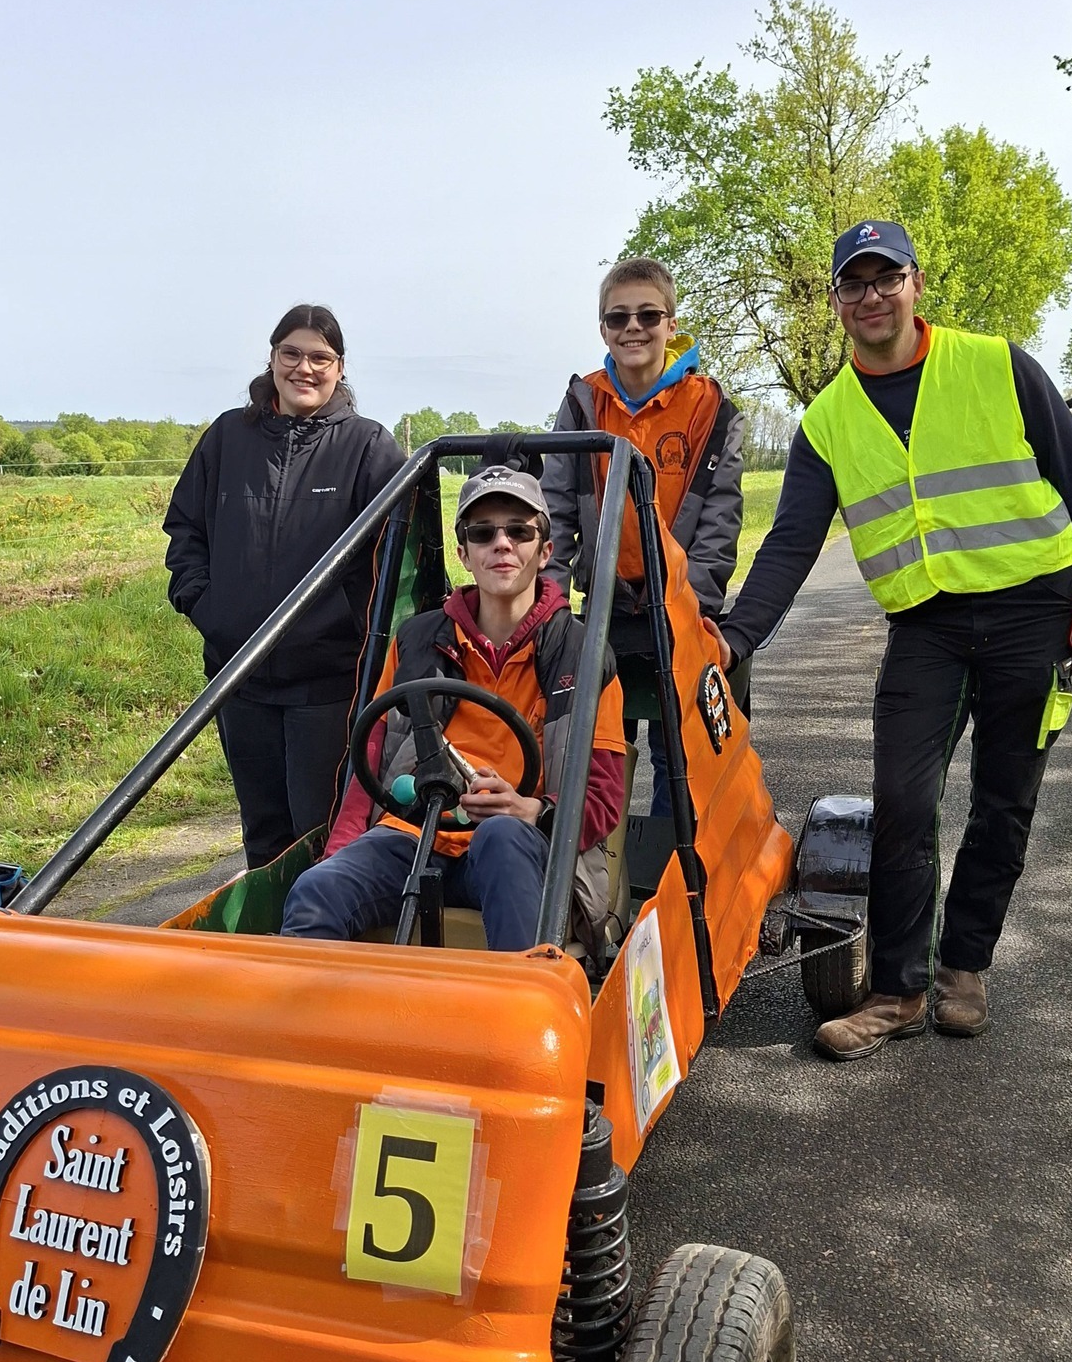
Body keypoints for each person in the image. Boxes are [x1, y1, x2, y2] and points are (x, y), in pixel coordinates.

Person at [710, 219, 1072, 1059]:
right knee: (902, 803)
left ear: (915, 283)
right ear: (835, 302)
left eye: (884, 278)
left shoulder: (997, 365)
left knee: (1005, 802)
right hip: (925, 627)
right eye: (853, 284)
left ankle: (963, 969)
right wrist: (733, 637)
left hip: (1031, 614)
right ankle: (897, 991)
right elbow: (791, 543)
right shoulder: (826, 421)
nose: (871, 296)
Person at [282, 466, 627, 952]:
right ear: (464, 554)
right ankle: (323, 1024)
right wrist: (337, 854)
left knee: (501, 838)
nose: (501, 544)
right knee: (315, 893)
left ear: (545, 552)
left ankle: (517, 1018)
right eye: (483, 533)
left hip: (524, 847)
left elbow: (604, 797)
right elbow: (371, 764)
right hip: (414, 835)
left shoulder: (584, 654)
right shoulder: (416, 642)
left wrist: (529, 810)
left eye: (519, 531)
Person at [163, 305, 404, 868]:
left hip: (327, 684)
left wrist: (359, 631)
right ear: (271, 359)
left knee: (321, 834)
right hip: (237, 677)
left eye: (320, 357)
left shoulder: (369, 447)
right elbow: (185, 531)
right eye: (291, 354)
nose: (305, 368)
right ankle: (268, 950)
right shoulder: (227, 437)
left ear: (339, 368)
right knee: (263, 835)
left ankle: (320, 946)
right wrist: (207, 607)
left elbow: (402, 559)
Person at [545, 257, 744, 813]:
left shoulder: (709, 406)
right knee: (592, 740)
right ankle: (598, 867)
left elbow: (720, 517)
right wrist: (554, 608)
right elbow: (556, 512)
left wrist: (692, 604)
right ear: (602, 328)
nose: (633, 327)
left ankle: (671, 868)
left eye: (648, 315)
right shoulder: (583, 403)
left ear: (671, 322)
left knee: (677, 751)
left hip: (677, 605)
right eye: (618, 317)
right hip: (603, 604)